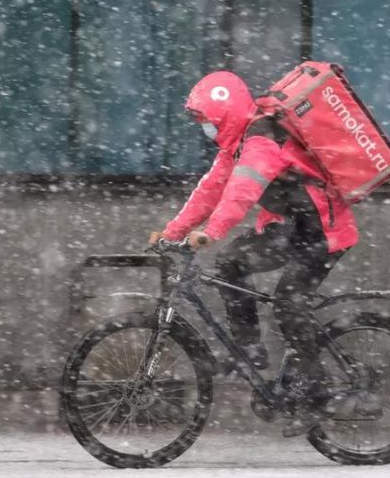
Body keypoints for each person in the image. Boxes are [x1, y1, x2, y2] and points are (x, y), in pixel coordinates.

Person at [148, 70, 358, 436]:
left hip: (322, 231)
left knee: (289, 304)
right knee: (231, 262)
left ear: (225, 115)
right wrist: (173, 231)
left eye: (206, 120)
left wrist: (210, 232)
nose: (204, 128)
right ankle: (248, 348)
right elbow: (210, 190)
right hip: (290, 229)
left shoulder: (261, 141)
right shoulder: (238, 143)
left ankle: (318, 393)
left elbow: (241, 192)